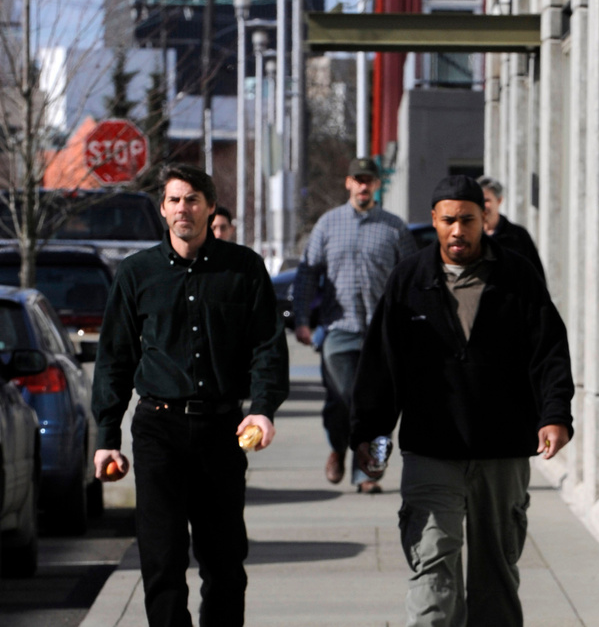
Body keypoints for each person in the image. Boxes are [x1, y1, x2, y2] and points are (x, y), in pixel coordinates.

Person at [351, 174, 574, 627]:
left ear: (484, 219)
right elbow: (380, 364)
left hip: (503, 450)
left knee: (496, 574)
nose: (458, 230)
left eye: (468, 220)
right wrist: (370, 437)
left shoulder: (517, 276)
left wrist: (555, 416)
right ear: (433, 220)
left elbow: (548, 351)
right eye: (449, 220)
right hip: (432, 449)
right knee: (431, 569)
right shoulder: (409, 279)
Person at [91, 163, 289, 627]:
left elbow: (267, 346)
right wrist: (107, 436)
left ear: (210, 207)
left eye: (193, 199)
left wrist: (262, 410)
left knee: (224, 562)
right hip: (159, 428)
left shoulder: (243, 269)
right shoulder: (137, 273)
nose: (184, 208)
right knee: (162, 560)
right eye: (175, 200)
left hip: (222, 429)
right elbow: (114, 356)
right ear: (163, 210)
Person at [292, 156, 417, 493]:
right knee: (342, 400)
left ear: (377, 185)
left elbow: (412, 281)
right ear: (348, 183)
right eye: (358, 179)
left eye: (369, 180)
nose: (363, 186)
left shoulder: (394, 228)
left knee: (381, 403)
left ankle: (368, 471)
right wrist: (302, 320)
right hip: (338, 330)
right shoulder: (328, 225)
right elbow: (307, 274)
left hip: (382, 334)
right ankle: (338, 447)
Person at [476, 175, 546, 284]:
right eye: (479, 201)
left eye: (487, 200)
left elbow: (536, 276)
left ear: (499, 200)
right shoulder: (472, 237)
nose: (483, 206)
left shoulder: (518, 236)